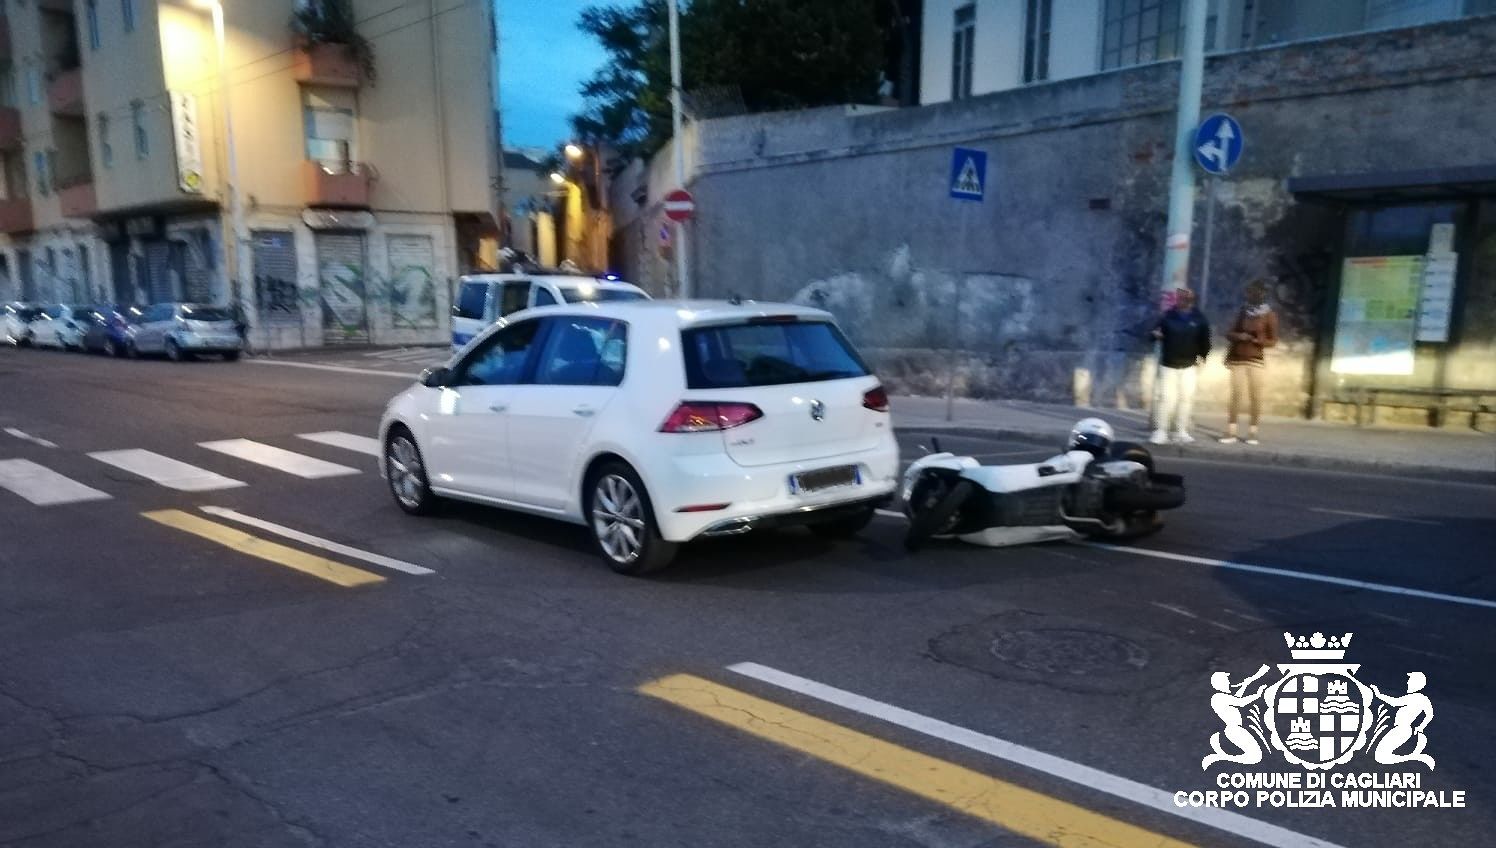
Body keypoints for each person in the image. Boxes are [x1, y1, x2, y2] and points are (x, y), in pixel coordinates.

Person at [1219, 280, 1278, 445]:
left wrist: (1260, 340)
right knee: (1236, 395)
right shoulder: (1243, 311)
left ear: (1262, 294)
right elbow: (1229, 332)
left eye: (1255, 292)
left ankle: (1253, 431)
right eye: (1250, 292)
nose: (1251, 295)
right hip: (1238, 358)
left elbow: (1273, 340)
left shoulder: (1269, 314)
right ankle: (1231, 430)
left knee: (1255, 396)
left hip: (1256, 360)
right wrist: (1239, 336)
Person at [1149, 288, 1210, 445]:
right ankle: (1161, 431)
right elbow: (1153, 333)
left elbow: (1205, 340)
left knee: (1186, 399)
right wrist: (1155, 335)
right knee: (1166, 399)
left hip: (1189, 365)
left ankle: (1180, 431)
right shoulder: (1168, 316)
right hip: (1168, 364)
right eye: (1182, 298)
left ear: (1192, 300)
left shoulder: (1199, 318)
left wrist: (1202, 358)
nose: (1185, 301)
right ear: (1178, 299)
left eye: (1188, 298)